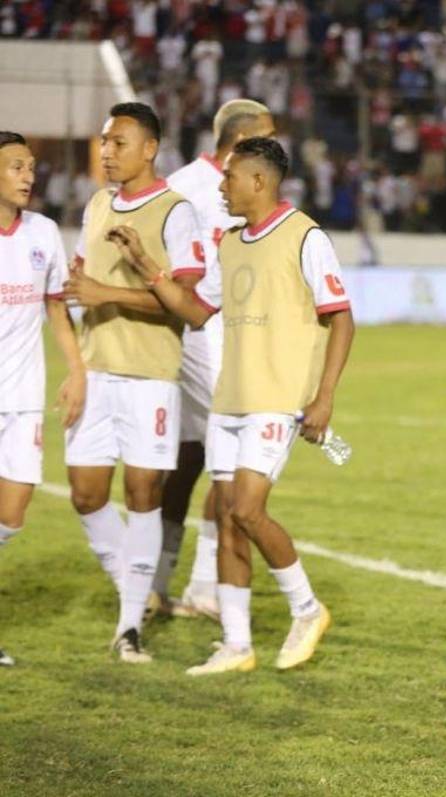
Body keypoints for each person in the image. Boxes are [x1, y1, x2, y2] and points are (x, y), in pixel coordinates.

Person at [113, 137, 354, 674]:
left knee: (247, 508)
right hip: (230, 397)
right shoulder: (229, 241)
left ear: (260, 181)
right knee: (226, 517)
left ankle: (307, 608)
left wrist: (325, 396)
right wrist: (147, 265)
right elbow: (197, 311)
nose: (221, 187)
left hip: (277, 397)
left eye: (230, 178)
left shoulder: (304, 236)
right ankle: (237, 644)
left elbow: (340, 316)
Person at [62, 103, 206, 663]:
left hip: (150, 379)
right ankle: (139, 589)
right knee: (85, 495)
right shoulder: (97, 204)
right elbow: (79, 287)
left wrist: (108, 295)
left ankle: (129, 628)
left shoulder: (176, 212)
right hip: (95, 375)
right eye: (104, 141)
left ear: (150, 149)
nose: (106, 151)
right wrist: (74, 369)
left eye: (119, 142)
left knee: (143, 495)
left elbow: (187, 304)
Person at [153, 99, 276, 620]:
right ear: (241, 139)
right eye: (267, 135)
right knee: (235, 451)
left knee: (189, 459)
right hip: (205, 332)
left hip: (200, 332)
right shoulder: (199, 188)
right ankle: (205, 584)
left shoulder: (187, 182)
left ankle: (155, 582)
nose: (276, 145)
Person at [0, 131, 87, 666]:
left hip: (23, 396)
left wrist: (77, 371)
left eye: (30, 167)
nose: (28, 175)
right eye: (15, 167)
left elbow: (57, 307)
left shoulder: (44, 233)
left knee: (12, 514)